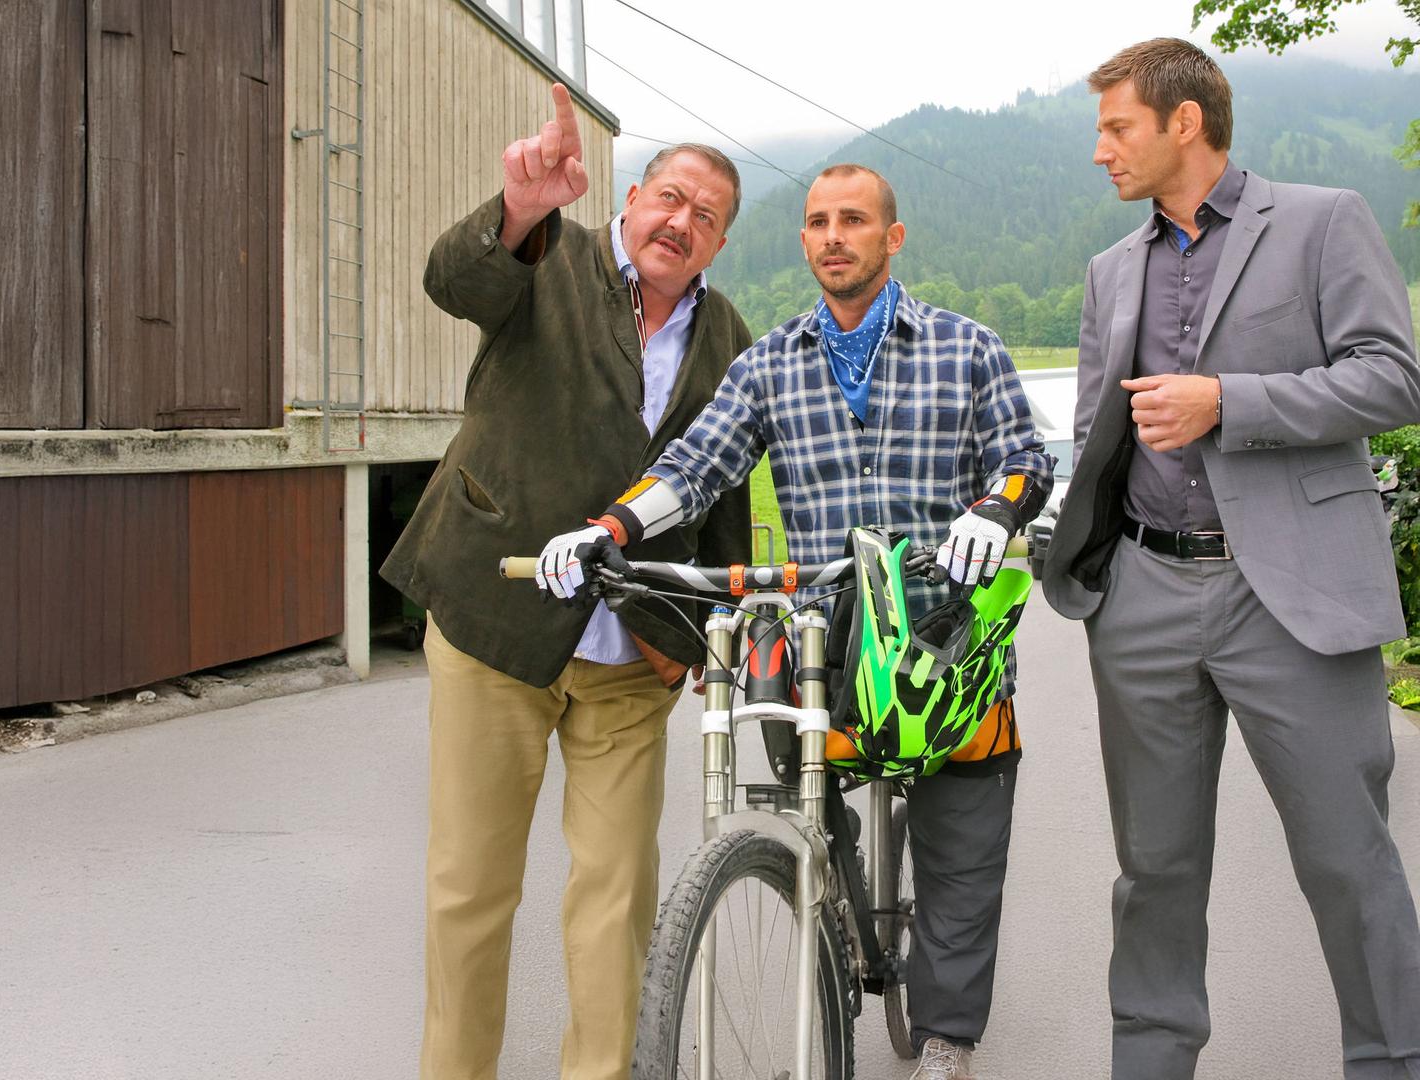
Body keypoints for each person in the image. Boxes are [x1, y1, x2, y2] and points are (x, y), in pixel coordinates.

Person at [538, 163, 1053, 1080]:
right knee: (806, 809)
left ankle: (945, 1040)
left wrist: (997, 510)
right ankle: (838, 911)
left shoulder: (965, 346)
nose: (832, 236)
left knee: (961, 856)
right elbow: (696, 466)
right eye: (817, 221)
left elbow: (1023, 457)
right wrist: (606, 528)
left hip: (943, 648)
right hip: (827, 648)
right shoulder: (769, 362)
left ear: (892, 239)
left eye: (854, 220)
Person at [1039, 37, 1420, 1080]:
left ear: (1185, 122)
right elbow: (1094, 435)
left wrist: (1231, 404)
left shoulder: (1322, 219)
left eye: (1117, 128)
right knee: (1153, 872)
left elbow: (1394, 379)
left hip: (1292, 592)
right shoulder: (1110, 271)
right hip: (1146, 595)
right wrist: (1093, 568)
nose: (1101, 151)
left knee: (1349, 861)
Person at [380, 81, 752, 1080]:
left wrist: (696, 638)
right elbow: (455, 281)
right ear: (630, 199)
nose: (682, 221)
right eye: (671, 198)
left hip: (632, 655)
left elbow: (722, 491)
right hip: (495, 627)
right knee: (470, 889)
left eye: (707, 217)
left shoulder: (728, 336)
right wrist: (519, 209)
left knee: (619, 893)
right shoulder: (547, 256)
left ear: (718, 245)